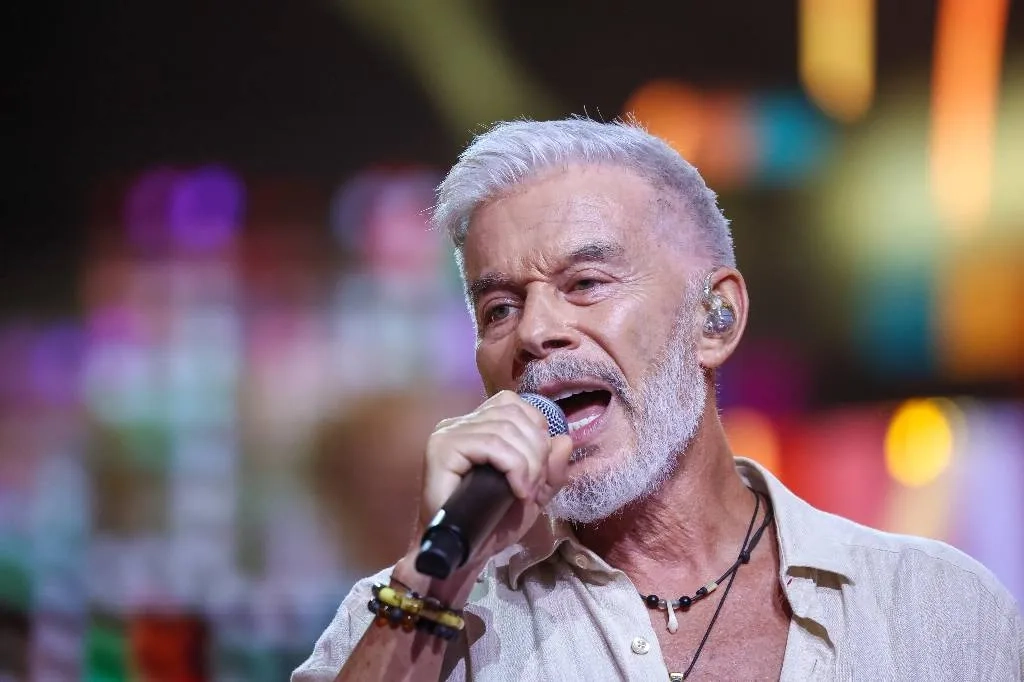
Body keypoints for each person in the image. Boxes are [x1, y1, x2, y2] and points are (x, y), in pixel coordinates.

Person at [292, 118, 1024, 681]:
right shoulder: (408, 621)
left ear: (716, 319)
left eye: (586, 283)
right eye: (499, 308)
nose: (536, 332)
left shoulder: (936, 607)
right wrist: (433, 585)